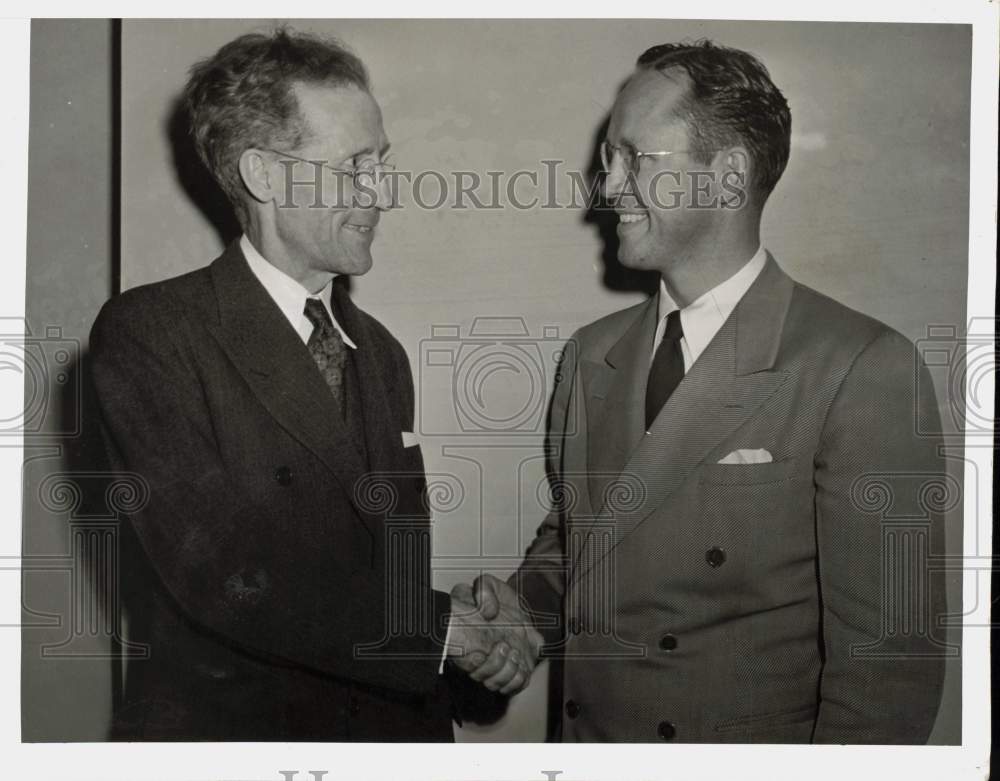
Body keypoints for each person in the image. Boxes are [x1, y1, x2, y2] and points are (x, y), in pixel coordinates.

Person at [470, 40, 947, 743]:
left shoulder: (860, 367)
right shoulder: (591, 354)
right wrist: (521, 613)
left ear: (727, 178)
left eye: (636, 159)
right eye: (608, 158)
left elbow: (887, 676)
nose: (608, 187)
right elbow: (581, 542)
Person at [89, 28, 540, 741]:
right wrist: (443, 629)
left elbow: (372, 577)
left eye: (382, 163)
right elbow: (227, 576)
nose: (382, 192)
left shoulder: (381, 353)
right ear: (265, 176)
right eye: (356, 166)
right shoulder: (153, 333)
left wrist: (469, 629)